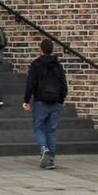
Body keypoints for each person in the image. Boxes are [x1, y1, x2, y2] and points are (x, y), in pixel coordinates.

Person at [23, 38, 68, 170]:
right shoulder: (58, 66)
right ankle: (52, 159)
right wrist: (61, 100)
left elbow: (30, 83)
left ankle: (44, 148)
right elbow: (64, 85)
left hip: (41, 101)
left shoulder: (36, 64)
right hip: (55, 101)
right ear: (52, 50)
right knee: (51, 130)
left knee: (38, 128)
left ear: (41, 50)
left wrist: (26, 100)